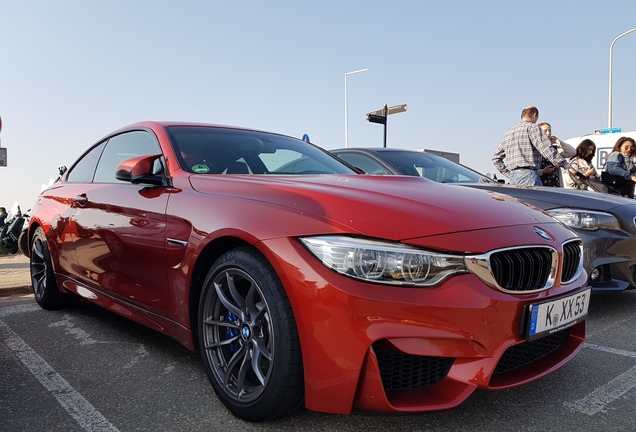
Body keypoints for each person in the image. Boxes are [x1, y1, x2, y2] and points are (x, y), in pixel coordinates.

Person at [492, 106, 575, 186]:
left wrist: (509, 174)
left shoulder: (509, 133)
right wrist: (566, 165)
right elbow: (546, 149)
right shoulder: (532, 127)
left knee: (519, 200)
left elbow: (496, 158)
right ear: (535, 115)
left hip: (513, 178)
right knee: (534, 200)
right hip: (529, 176)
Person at [538, 122, 576, 187]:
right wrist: (542, 171)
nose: (548, 133)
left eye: (549, 131)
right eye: (545, 131)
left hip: (555, 184)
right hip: (540, 184)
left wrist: (559, 142)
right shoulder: (535, 149)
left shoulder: (554, 149)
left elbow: (572, 152)